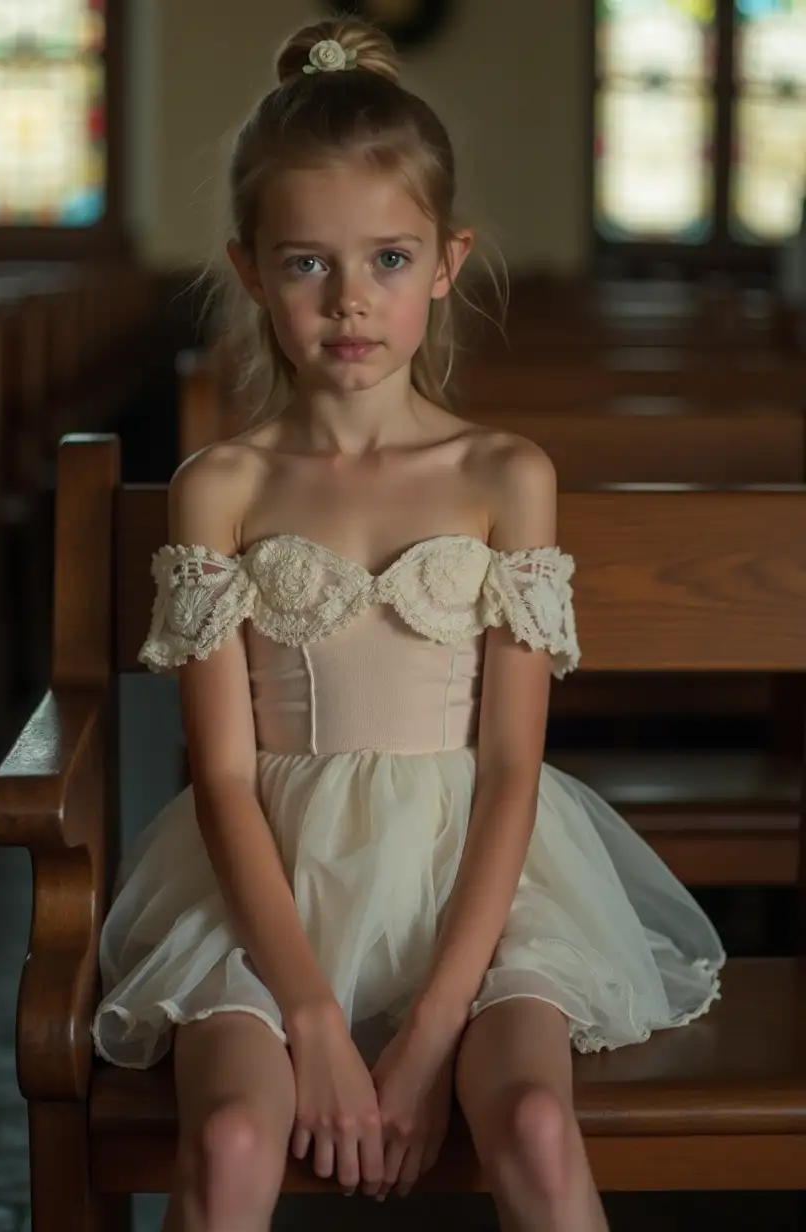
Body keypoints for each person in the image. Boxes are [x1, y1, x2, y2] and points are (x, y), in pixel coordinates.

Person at [92, 18, 725, 1231]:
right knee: (227, 1135)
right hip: (265, 873)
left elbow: (509, 763)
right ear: (248, 268)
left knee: (535, 1123)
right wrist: (317, 1021)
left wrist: (434, 1029)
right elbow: (222, 775)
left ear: (446, 260)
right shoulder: (220, 486)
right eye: (305, 264)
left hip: (477, 873)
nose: (349, 302)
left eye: (387, 258)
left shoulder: (504, 474)